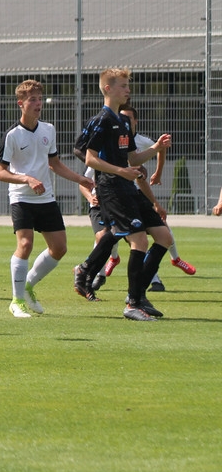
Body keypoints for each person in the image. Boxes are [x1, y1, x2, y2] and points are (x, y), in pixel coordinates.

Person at [74, 68, 172, 321]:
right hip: (111, 188)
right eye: (123, 86)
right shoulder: (102, 120)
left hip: (127, 186)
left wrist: (155, 147)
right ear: (108, 89)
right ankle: (132, 303)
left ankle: (138, 295)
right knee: (139, 240)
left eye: (128, 85)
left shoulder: (124, 121)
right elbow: (89, 158)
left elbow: (133, 158)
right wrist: (119, 171)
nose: (128, 90)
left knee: (163, 236)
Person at [0, 80, 94, 318]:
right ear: (21, 104)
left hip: (45, 198)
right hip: (21, 198)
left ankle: (27, 285)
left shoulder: (48, 129)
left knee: (59, 248)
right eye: (32, 100)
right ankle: (16, 301)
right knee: (25, 245)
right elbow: (0, 172)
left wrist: (80, 179)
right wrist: (27, 179)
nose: (38, 104)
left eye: (40, 99)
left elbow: (55, 164)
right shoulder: (13, 135)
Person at [87, 103, 196, 293]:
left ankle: (149, 283)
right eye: (122, 118)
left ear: (135, 122)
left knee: (160, 235)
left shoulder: (138, 141)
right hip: (113, 195)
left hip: (134, 194)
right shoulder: (107, 136)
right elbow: (87, 163)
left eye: (128, 119)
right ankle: (95, 275)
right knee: (117, 238)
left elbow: (144, 159)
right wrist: (93, 193)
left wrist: (157, 174)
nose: (124, 122)